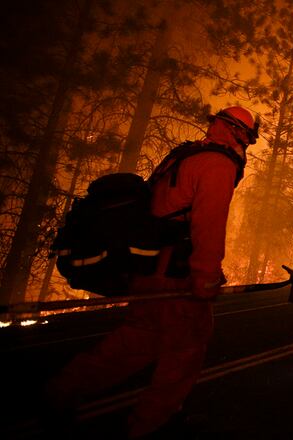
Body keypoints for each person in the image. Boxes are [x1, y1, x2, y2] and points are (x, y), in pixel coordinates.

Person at [47, 106, 257, 437]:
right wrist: (205, 276)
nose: (247, 144)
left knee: (137, 340)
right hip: (176, 272)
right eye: (247, 136)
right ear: (239, 133)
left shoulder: (188, 154)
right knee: (187, 347)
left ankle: (61, 392)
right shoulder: (218, 164)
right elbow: (208, 224)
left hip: (149, 267)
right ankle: (152, 424)